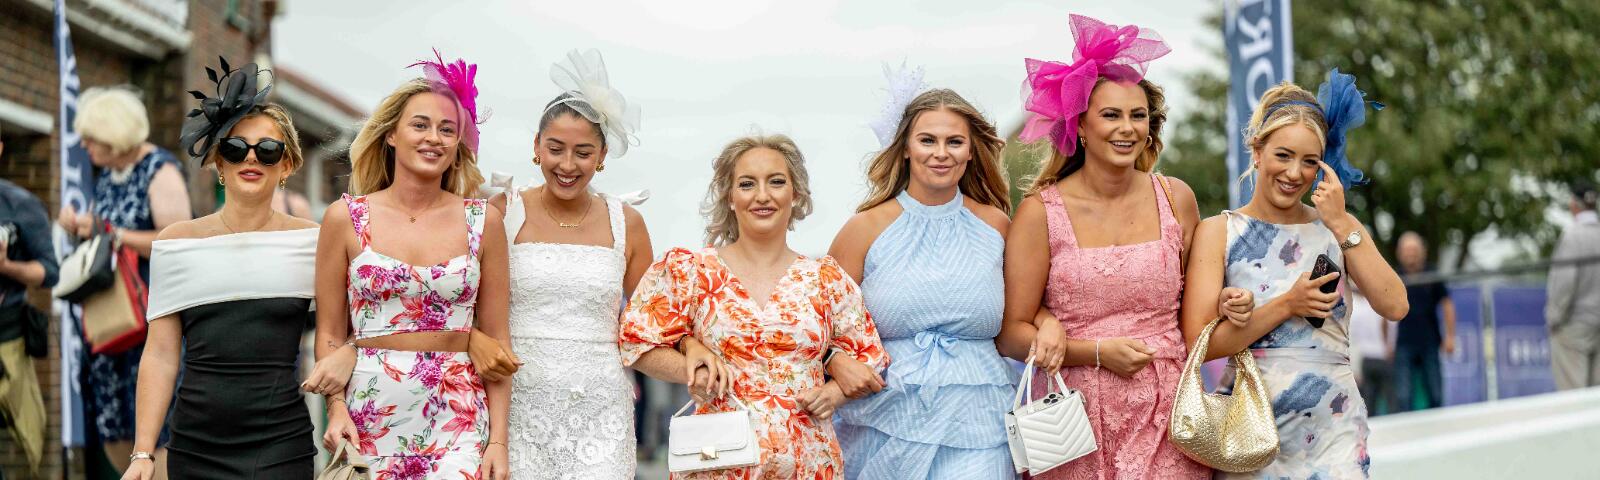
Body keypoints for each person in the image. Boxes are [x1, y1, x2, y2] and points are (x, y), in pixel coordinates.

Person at [994, 14, 1226, 478]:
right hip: (1074, 423)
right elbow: (1011, 332)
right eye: (1111, 115)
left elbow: (1195, 316)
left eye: (1137, 115)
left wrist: (1231, 302)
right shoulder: (1040, 213)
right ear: (1079, 125)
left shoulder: (1176, 198)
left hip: (1169, 414)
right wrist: (1093, 352)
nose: (1127, 128)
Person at [1180, 71, 1409, 479]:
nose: (1294, 173)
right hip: (1251, 428)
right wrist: (1287, 304)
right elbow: (1201, 344)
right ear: (1257, 151)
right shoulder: (1218, 231)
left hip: (1333, 426)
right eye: (1283, 155)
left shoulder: (1338, 227)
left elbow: (1395, 304)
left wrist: (1341, 224)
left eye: (1309, 161)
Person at [619, 134, 889, 479]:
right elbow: (636, 342)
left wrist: (834, 393)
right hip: (716, 461)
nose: (763, 195)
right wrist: (691, 368)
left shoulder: (827, 278)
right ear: (730, 197)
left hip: (807, 459)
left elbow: (870, 358)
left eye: (776, 182)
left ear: (796, 194)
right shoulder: (692, 271)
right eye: (747, 184)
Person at [305, 51, 512, 479]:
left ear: (458, 145)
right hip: (369, 413)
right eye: (420, 125)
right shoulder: (345, 218)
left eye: (446, 129)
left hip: (459, 418)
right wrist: (337, 409)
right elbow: (329, 333)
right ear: (392, 135)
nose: (433, 138)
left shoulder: (484, 221)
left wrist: (498, 441)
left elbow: (497, 343)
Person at [124, 60, 320, 479]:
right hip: (196, 445)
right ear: (218, 161)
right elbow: (160, 355)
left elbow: (346, 334)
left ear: (286, 167)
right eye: (235, 148)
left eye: (268, 150)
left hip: (281, 444)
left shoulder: (313, 242)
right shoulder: (177, 242)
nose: (251, 158)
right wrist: (143, 452)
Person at [827, 80, 1018, 479]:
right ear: (907, 148)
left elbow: (1029, 307)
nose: (941, 153)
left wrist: (1049, 324)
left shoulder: (998, 226)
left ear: (970, 151)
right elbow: (820, 323)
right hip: (884, 417)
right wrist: (836, 359)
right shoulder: (864, 228)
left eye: (954, 142)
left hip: (979, 418)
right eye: (928, 140)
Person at [491, 49, 654, 478]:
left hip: (601, 407)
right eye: (555, 149)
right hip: (519, 403)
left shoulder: (628, 224)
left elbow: (656, 320)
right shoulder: (502, 212)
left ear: (601, 155)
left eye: (583, 152)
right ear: (536, 148)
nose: (567, 165)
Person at [60, 85, 192, 473]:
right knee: (114, 428)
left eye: (92, 137)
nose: (84, 145)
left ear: (115, 134)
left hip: (151, 322)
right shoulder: (108, 175)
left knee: (156, 429)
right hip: (111, 324)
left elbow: (177, 239)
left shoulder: (160, 170)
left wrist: (111, 232)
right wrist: (81, 228)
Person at [0, 126, 55, 473]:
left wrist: (6, 265)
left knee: (26, 433)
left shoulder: (19, 204)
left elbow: (49, 271)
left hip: (6, 336)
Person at [1393, 231, 1455, 411]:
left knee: (1435, 393)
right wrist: (1386, 341)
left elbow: (1447, 305)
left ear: (1422, 251)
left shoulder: (1433, 273)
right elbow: (1384, 312)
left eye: (1414, 249)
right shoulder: (1394, 276)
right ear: (1400, 253)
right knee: (1404, 397)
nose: (1410, 253)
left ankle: (1438, 434)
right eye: (1407, 250)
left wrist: (1450, 336)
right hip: (1404, 342)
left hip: (1430, 341)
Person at [1547, 180, 1600, 389]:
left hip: (1574, 325)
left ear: (1574, 203)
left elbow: (1564, 284)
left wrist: (1554, 319)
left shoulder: (1572, 237)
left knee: (1574, 398)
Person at [1348, 282, 1397, 416]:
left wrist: (1355, 367)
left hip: (1366, 357)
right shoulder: (1384, 306)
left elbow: (1354, 339)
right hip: (1382, 356)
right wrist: (1389, 348)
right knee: (1391, 399)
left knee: (1369, 400)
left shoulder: (1357, 308)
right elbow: (1391, 328)